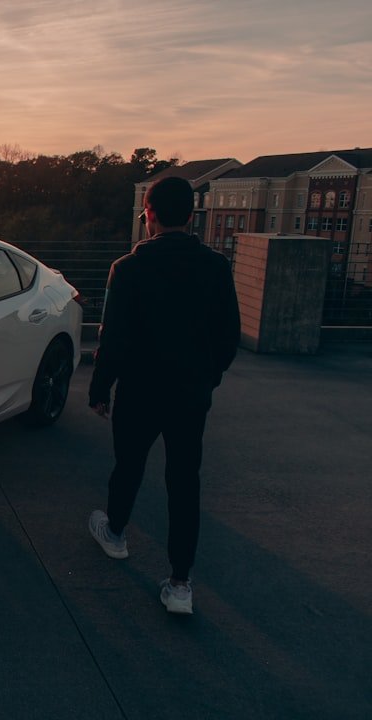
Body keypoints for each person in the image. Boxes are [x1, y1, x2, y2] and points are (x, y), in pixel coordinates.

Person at [87, 175, 241, 615]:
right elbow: (228, 335)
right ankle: (180, 584)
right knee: (184, 482)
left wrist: (100, 387)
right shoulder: (216, 267)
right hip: (190, 394)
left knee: (129, 465)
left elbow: (112, 337)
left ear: (149, 214)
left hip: (139, 390)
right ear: (191, 216)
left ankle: (115, 533)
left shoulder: (127, 269)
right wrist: (208, 378)